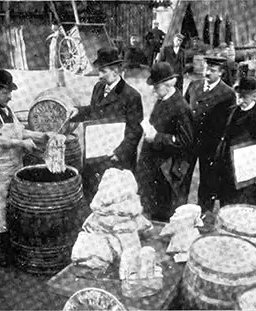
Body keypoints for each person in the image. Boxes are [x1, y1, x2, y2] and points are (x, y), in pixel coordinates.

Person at [0, 69, 50, 266]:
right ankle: (0, 254)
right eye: (6, 92)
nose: (10, 96)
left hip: (13, 165)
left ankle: (12, 249)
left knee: (13, 206)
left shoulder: (7, 110)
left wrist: (41, 136)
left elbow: (19, 131)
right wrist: (22, 145)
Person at [70, 47, 144, 202]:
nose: (99, 75)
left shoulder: (131, 95)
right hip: (96, 152)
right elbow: (94, 111)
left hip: (116, 157)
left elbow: (135, 130)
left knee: (115, 200)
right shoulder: (98, 88)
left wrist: (120, 152)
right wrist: (78, 112)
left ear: (116, 71)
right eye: (99, 71)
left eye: (103, 71)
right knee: (94, 194)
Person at [136, 62, 195, 222]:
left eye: (156, 86)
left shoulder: (181, 107)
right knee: (151, 207)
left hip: (167, 171)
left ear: (168, 84)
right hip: (154, 166)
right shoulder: (162, 99)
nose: (153, 90)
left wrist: (157, 137)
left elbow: (186, 142)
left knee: (165, 213)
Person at [208, 77, 256, 206]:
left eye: (245, 97)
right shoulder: (231, 112)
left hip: (248, 175)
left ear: (254, 96)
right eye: (238, 96)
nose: (240, 101)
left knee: (245, 209)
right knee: (226, 206)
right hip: (228, 171)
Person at [184, 56, 236, 212]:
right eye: (206, 68)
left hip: (211, 147)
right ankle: (179, 212)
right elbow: (184, 111)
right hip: (190, 142)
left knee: (208, 183)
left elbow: (228, 125)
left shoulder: (227, 94)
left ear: (220, 73)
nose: (207, 72)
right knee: (182, 178)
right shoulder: (194, 85)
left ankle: (204, 215)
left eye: (212, 70)